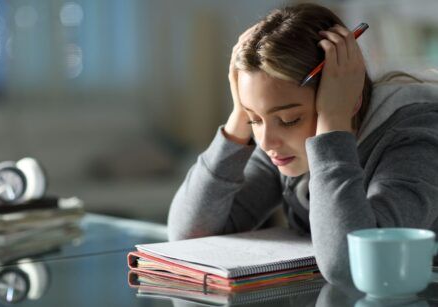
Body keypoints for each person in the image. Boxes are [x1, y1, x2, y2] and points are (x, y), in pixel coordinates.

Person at [167, 2, 438, 285]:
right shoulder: (282, 145)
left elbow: (352, 266)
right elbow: (188, 235)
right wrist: (239, 118)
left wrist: (333, 125)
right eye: (255, 120)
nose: (266, 141)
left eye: (288, 119)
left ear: (348, 99)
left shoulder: (416, 141)